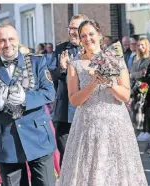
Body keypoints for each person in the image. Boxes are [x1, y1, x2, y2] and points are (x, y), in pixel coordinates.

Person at [58, 19, 148, 186]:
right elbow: (74, 100)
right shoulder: (75, 65)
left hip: (115, 125)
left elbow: (126, 95)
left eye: (91, 34)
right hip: (87, 127)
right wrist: (93, 83)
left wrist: (110, 83)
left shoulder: (116, 60)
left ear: (99, 34)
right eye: (83, 36)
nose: (87, 39)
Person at [0, 23, 56, 186]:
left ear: (18, 40)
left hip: (37, 136)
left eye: (11, 39)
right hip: (6, 141)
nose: (7, 44)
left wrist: (26, 98)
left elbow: (49, 92)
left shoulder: (36, 62)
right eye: (2, 40)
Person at [48, 14, 88, 167]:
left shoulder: (91, 49)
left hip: (84, 109)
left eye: (75, 28)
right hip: (64, 111)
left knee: (85, 156)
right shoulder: (61, 49)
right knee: (66, 155)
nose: (72, 31)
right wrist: (62, 68)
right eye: (70, 28)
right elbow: (50, 76)